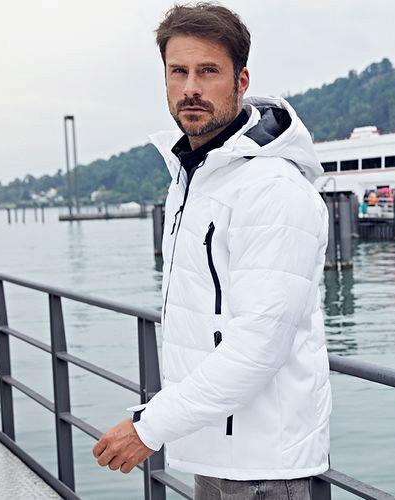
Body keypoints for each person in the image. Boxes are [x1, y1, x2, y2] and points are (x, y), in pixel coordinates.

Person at [92, 3, 331, 499]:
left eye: (208, 71)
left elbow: (259, 344)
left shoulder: (273, 188)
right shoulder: (193, 177)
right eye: (178, 72)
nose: (190, 88)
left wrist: (149, 426)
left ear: (241, 81)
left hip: (263, 464)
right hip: (212, 444)